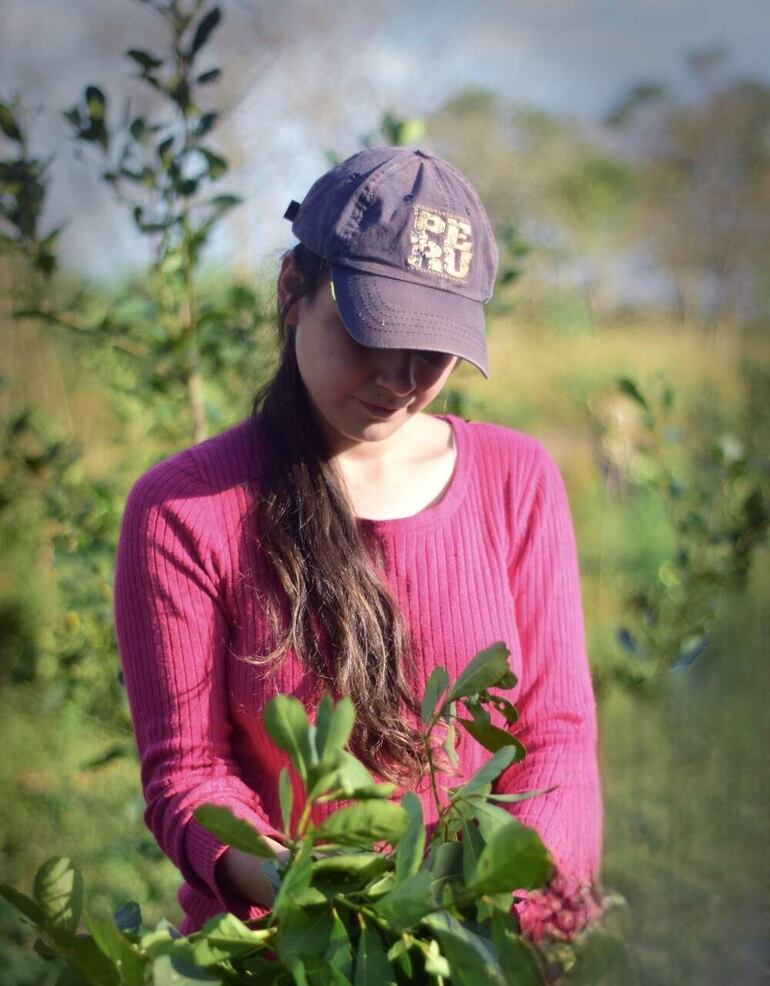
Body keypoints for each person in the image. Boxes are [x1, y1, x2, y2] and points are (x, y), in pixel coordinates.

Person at [113, 145, 604, 942]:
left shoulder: (518, 480)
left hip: (489, 943)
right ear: (293, 291)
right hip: (287, 945)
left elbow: (556, 736)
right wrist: (306, 892)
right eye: (371, 333)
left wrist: (504, 914)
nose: (400, 377)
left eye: (433, 349)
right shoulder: (184, 510)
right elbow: (188, 773)